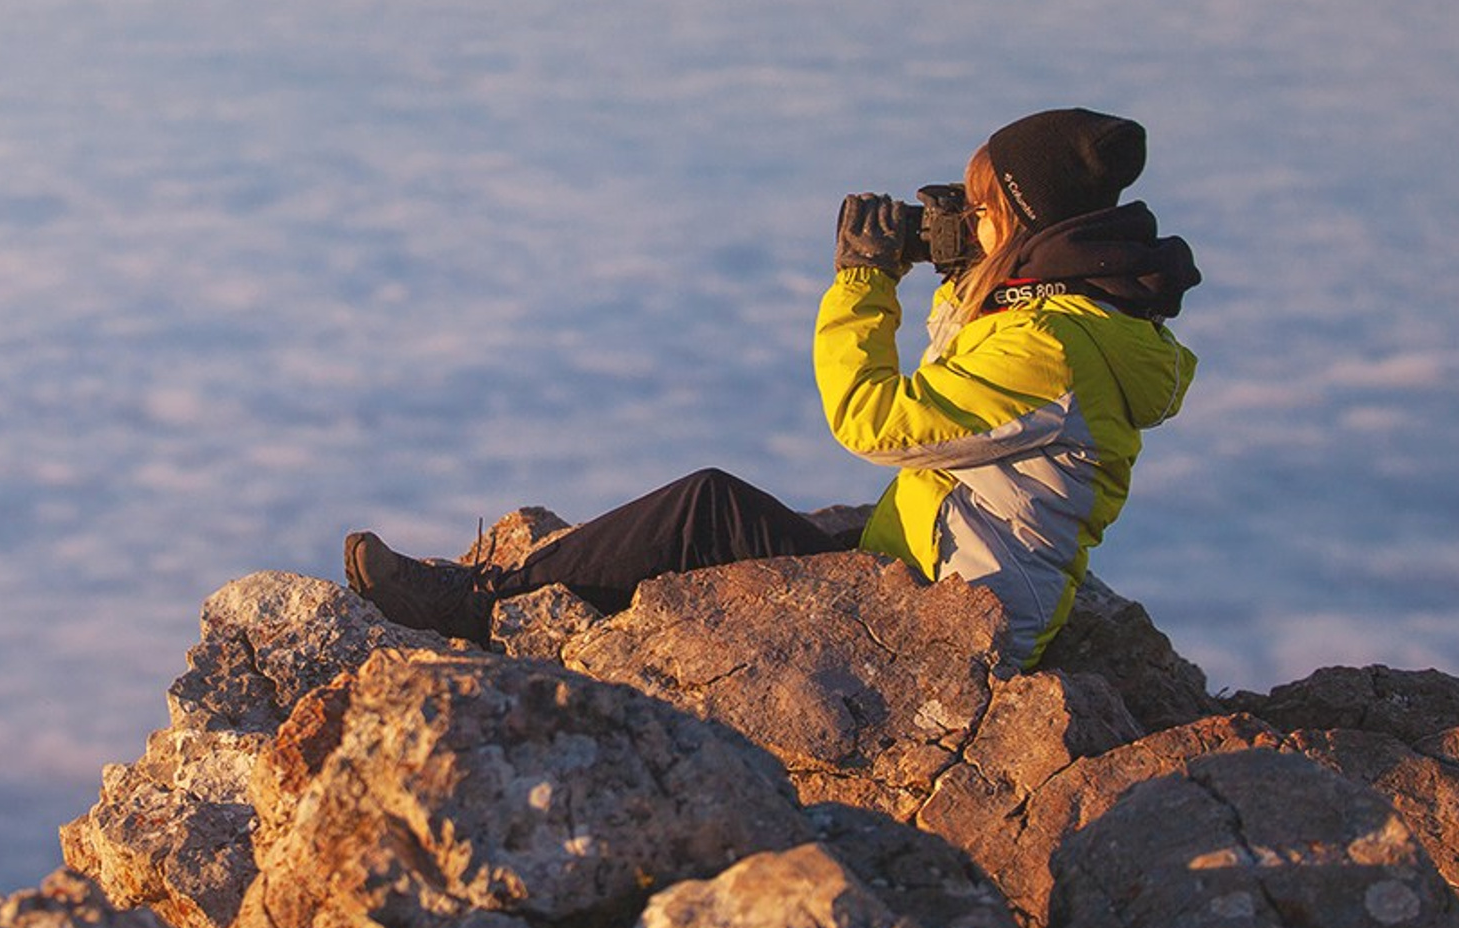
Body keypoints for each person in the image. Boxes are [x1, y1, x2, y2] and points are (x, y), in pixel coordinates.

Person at [345, 107, 1199, 672]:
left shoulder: (1049, 346)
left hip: (952, 627)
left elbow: (873, 421)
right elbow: (971, 395)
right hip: (952, 584)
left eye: (982, 210)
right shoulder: (1075, 318)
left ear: (1019, 219)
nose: (968, 222)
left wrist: (864, 281)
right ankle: (514, 595)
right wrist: (963, 272)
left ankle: (476, 609)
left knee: (705, 509)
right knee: (768, 521)